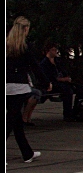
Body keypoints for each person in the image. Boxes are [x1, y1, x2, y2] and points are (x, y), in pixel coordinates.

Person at [6, 16, 46, 162]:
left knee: (16, 121)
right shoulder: (24, 47)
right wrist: (45, 81)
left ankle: (27, 153)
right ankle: (26, 153)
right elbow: (34, 66)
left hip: (7, 85)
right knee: (11, 120)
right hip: (19, 86)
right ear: (25, 29)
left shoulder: (7, 45)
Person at [39, 42, 83, 122]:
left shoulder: (57, 62)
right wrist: (61, 79)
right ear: (48, 51)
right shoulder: (44, 64)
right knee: (68, 90)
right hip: (53, 84)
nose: (55, 52)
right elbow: (49, 78)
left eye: (55, 50)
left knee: (81, 88)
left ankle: (76, 110)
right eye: (53, 50)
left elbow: (64, 71)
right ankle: (67, 114)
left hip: (63, 82)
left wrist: (67, 78)